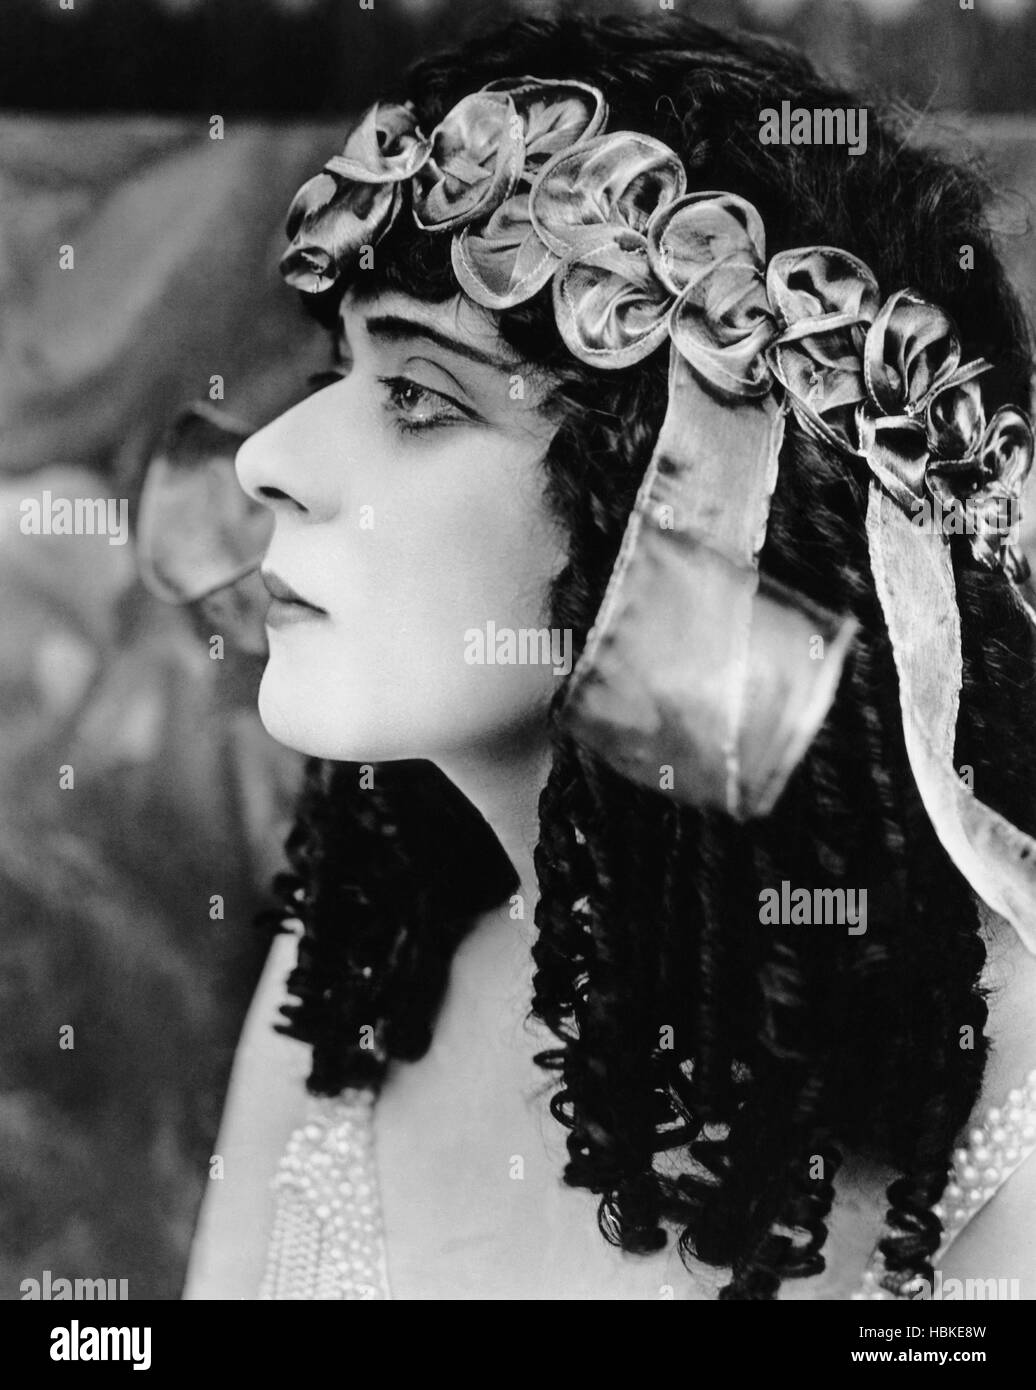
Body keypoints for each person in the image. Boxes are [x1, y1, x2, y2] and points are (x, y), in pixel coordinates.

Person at [177, 12, 1036, 1300]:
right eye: (337, 370)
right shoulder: (359, 963)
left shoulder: (1017, 1127)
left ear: (685, 508)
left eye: (417, 395)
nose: (266, 457)